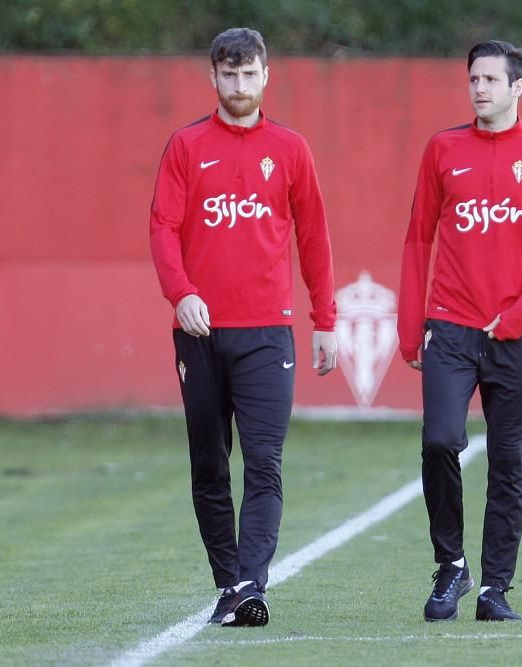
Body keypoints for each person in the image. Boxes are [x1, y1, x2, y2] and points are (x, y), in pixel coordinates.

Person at [150, 27, 338, 627]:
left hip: (267, 333)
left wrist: (325, 321)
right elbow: (162, 229)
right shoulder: (185, 146)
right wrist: (181, 295)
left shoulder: (290, 149)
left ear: (266, 76)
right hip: (200, 333)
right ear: (213, 77)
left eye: (248, 73)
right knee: (210, 464)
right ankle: (229, 581)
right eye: (228, 74)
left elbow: (314, 238)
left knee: (264, 463)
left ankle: (251, 583)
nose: (238, 84)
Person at [398, 40, 522, 622]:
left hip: (517, 334)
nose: (479, 88)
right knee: (439, 440)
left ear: (518, 86)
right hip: (450, 326)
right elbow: (417, 238)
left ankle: (495, 587)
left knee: (509, 461)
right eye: (473, 78)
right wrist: (410, 328)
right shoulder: (442, 148)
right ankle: (451, 565)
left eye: (491, 80)